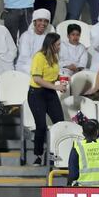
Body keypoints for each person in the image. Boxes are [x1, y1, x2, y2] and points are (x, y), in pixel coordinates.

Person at [27, 32, 65, 164]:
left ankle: (56, 153)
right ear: (51, 44)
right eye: (58, 44)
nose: (60, 46)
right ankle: (38, 155)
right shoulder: (39, 56)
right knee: (41, 125)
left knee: (60, 123)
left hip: (50, 93)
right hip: (37, 94)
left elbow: (51, 75)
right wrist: (56, 87)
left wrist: (61, 78)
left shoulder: (54, 56)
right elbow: (37, 78)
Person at [16, 8, 51, 74]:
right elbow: (25, 58)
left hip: (45, 66)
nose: (43, 23)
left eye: (46, 21)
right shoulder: (26, 36)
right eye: (40, 20)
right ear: (34, 22)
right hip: (26, 66)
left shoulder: (49, 37)